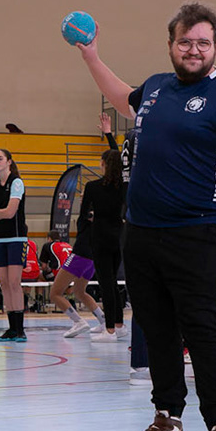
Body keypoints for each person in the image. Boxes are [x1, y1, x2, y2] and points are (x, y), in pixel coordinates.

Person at [74, 0, 216, 431]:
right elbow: (122, 94)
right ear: (171, 45)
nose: (193, 50)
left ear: (214, 48)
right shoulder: (155, 89)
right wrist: (91, 57)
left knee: (203, 331)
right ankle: (167, 421)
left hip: (197, 232)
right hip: (141, 233)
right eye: (185, 42)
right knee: (157, 329)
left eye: (202, 43)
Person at [73, 143, 127, 342]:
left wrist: (88, 221)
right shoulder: (123, 187)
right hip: (118, 237)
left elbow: (83, 214)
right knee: (113, 283)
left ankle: (110, 329)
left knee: (106, 283)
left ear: (103, 164)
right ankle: (119, 324)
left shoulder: (93, 187)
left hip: (100, 238)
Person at [0, 148, 30, 342]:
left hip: (16, 238)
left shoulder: (16, 183)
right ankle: (11, 328)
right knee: (3, 284)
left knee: (14, 282)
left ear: (9, 161)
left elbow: (11, 212)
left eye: (0, 158)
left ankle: (20, 329)